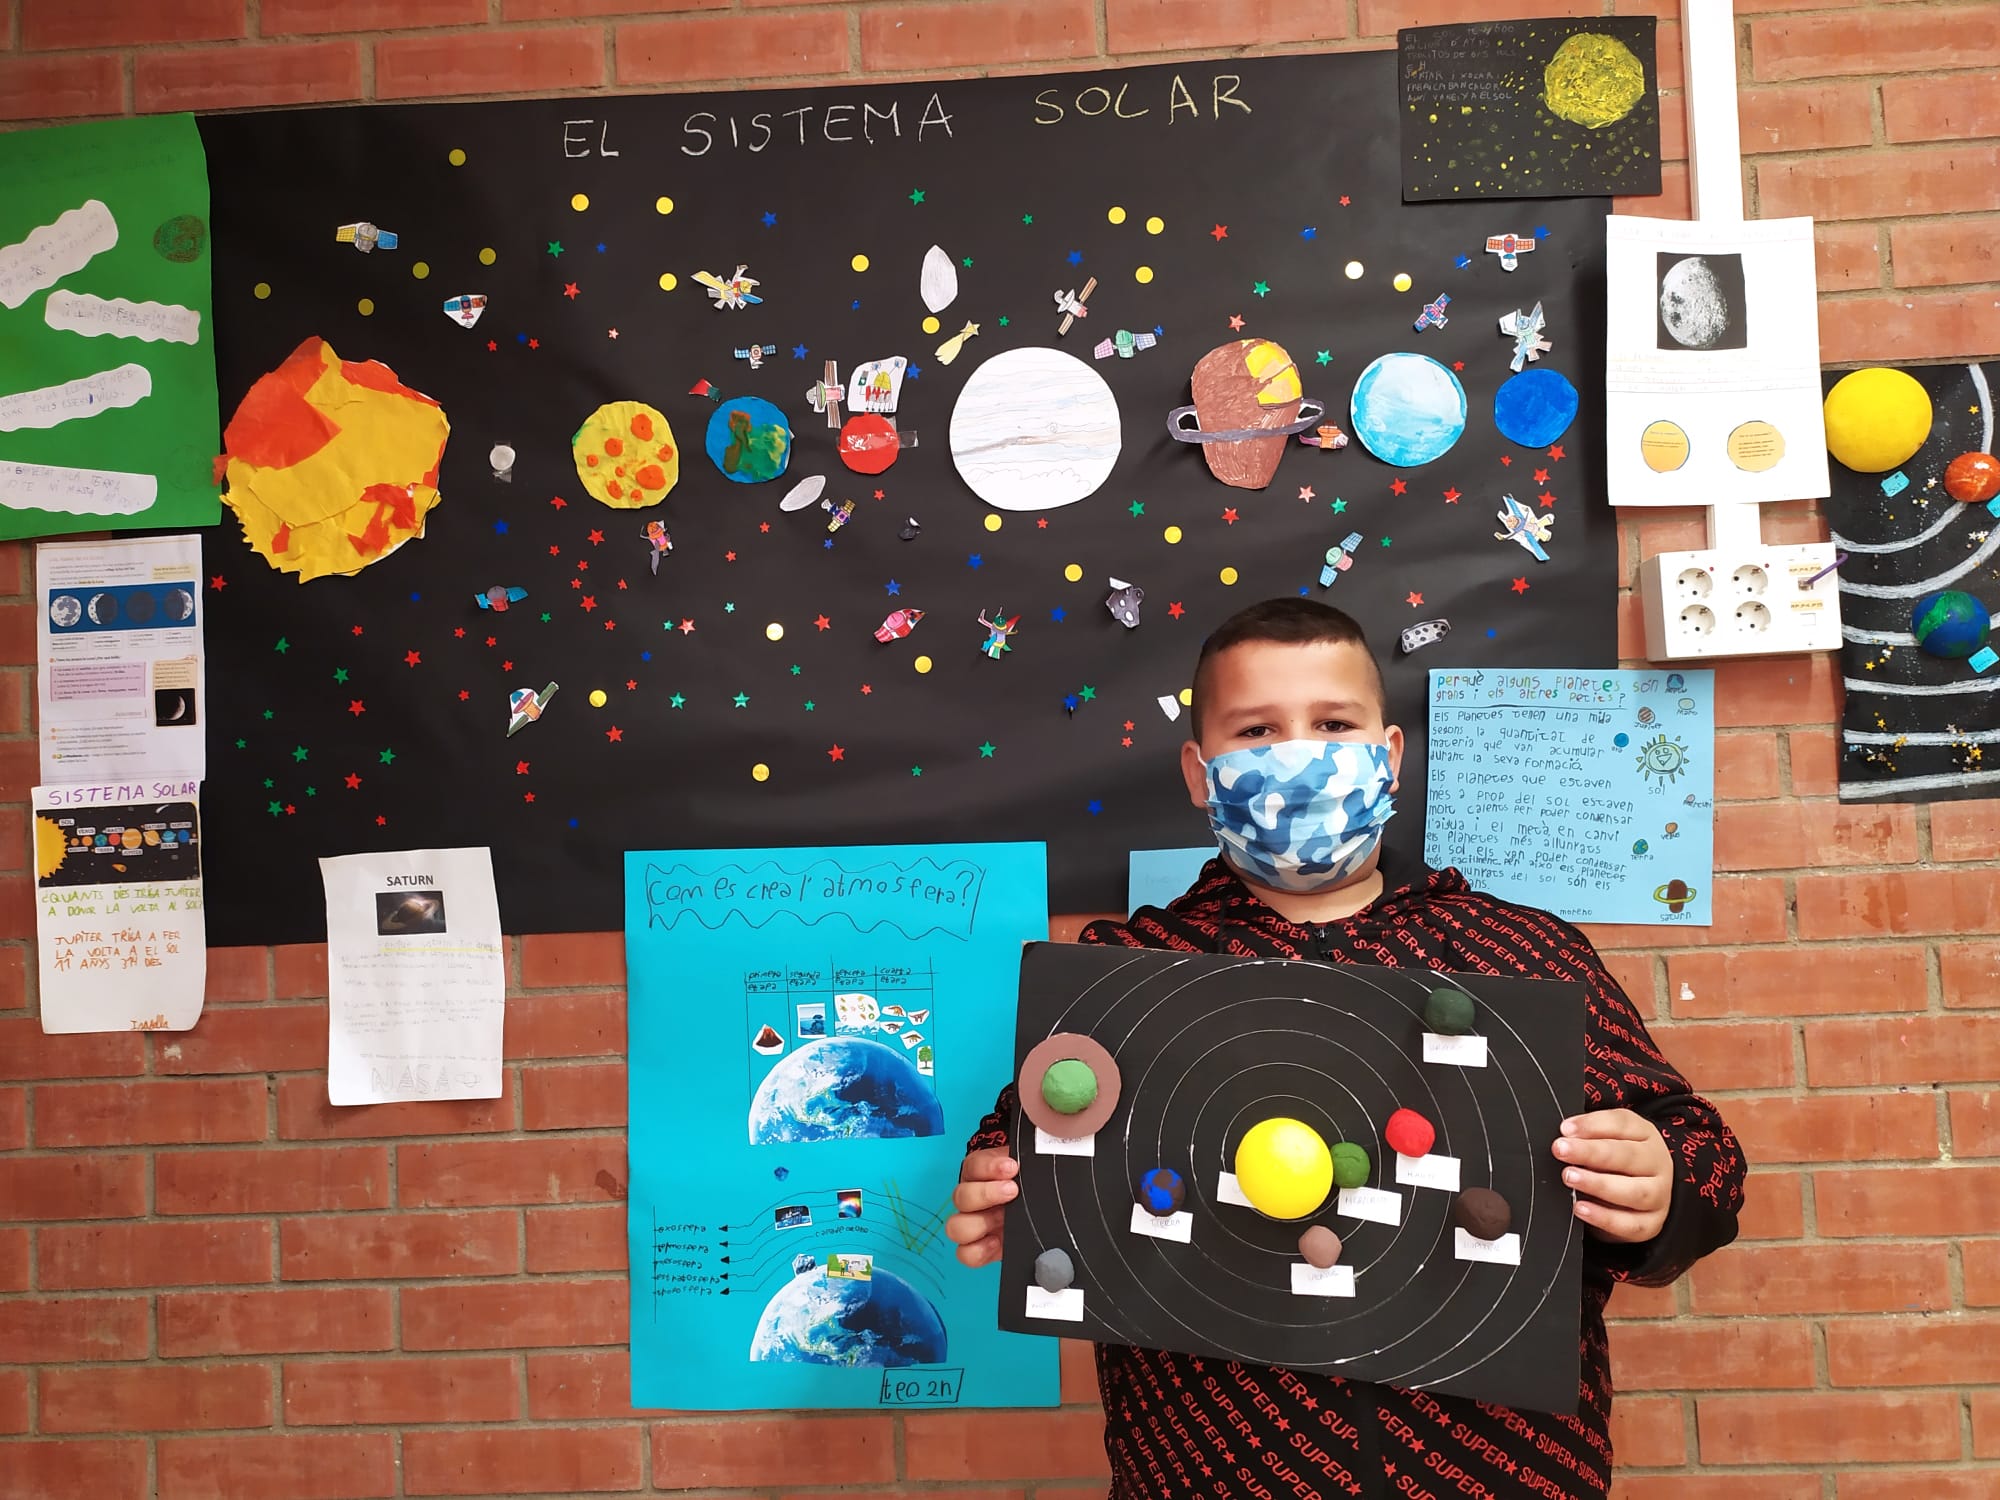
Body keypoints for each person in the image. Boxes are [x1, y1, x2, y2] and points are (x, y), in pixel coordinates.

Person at [946, 597, 1744, 1500]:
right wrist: (1002, 1192)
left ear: (1389, 755)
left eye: (1333, 724)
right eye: (1257, 730)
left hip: (1497, 1470)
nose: (1300, 755)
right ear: (1201, 773)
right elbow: (1029, 1134)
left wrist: (1664, 1185)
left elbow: (1703, 1153)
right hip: (1214, 1472)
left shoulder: (1520, 953)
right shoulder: (1129, 972)